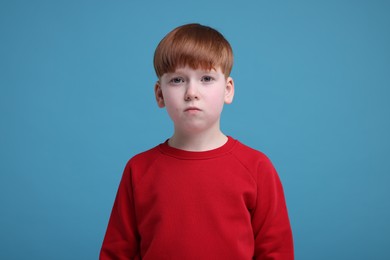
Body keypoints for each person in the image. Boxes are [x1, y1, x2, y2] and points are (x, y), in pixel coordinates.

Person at [100, 23, 294, 260]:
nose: (192, 92)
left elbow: (276, 252)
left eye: (206, 78)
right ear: (159, 94)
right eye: (177, 80)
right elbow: (117, 253)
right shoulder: (138, 169)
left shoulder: (257, 167)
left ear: (228, 90)